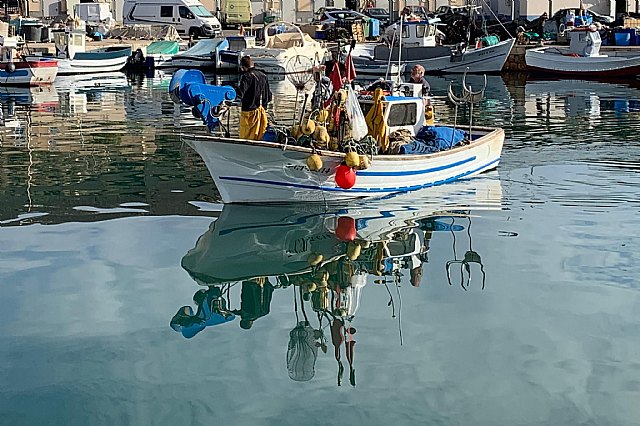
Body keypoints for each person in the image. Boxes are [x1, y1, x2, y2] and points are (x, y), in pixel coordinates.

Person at [235, 55, 272, 140]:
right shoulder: (263, 75)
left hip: (248, 112)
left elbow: (240, 93)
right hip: (261, 110)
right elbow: (268, 96)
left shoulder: (246, 76)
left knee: (246, 136)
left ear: (243, 67)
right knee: (260, 134)